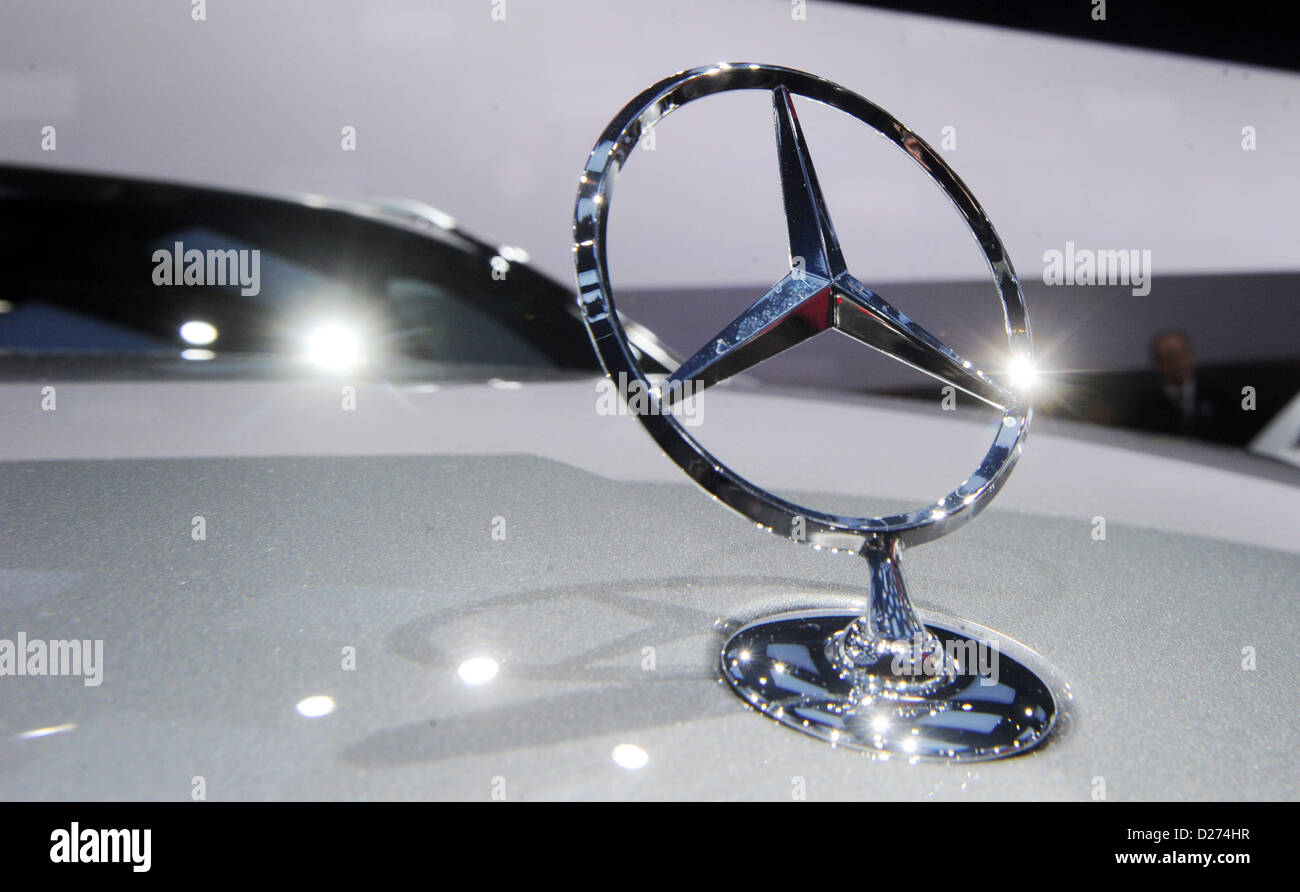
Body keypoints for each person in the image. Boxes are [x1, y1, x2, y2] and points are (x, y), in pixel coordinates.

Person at [1130, 330, 1234, 442]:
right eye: (1169, 357)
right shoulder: (1145, 405)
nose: (1177, 362)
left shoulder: (1218, 396)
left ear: (1191, 356)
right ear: (1157, 363)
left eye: (1181, 354)